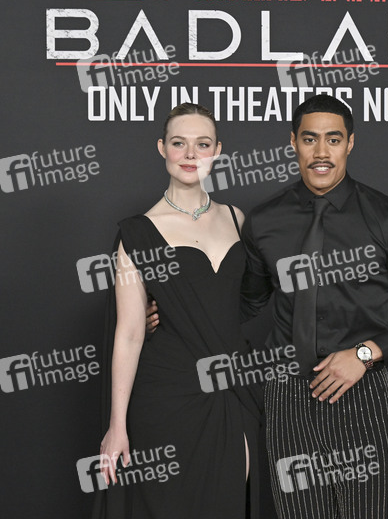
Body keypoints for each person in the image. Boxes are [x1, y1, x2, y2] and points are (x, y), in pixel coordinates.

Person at [239, 94, 388, 519]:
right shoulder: (263, 221)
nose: (321, 152)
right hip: (286, 399)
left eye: (333, 140)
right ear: (293, 142)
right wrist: (167, 312)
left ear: (350, 143)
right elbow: (245, 303)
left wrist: (365, 354)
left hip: (361, 394)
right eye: (310, 139)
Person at [93, 103, 263, 519]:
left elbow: (239, 303)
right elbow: (130, 333)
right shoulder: (137, 232)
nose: (190, 154)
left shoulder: (237, 219)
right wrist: (117, 425)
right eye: (179, 143)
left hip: (232, 388)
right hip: (166, 395)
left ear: (217, 151)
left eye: (202, 144)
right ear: (162, 148)